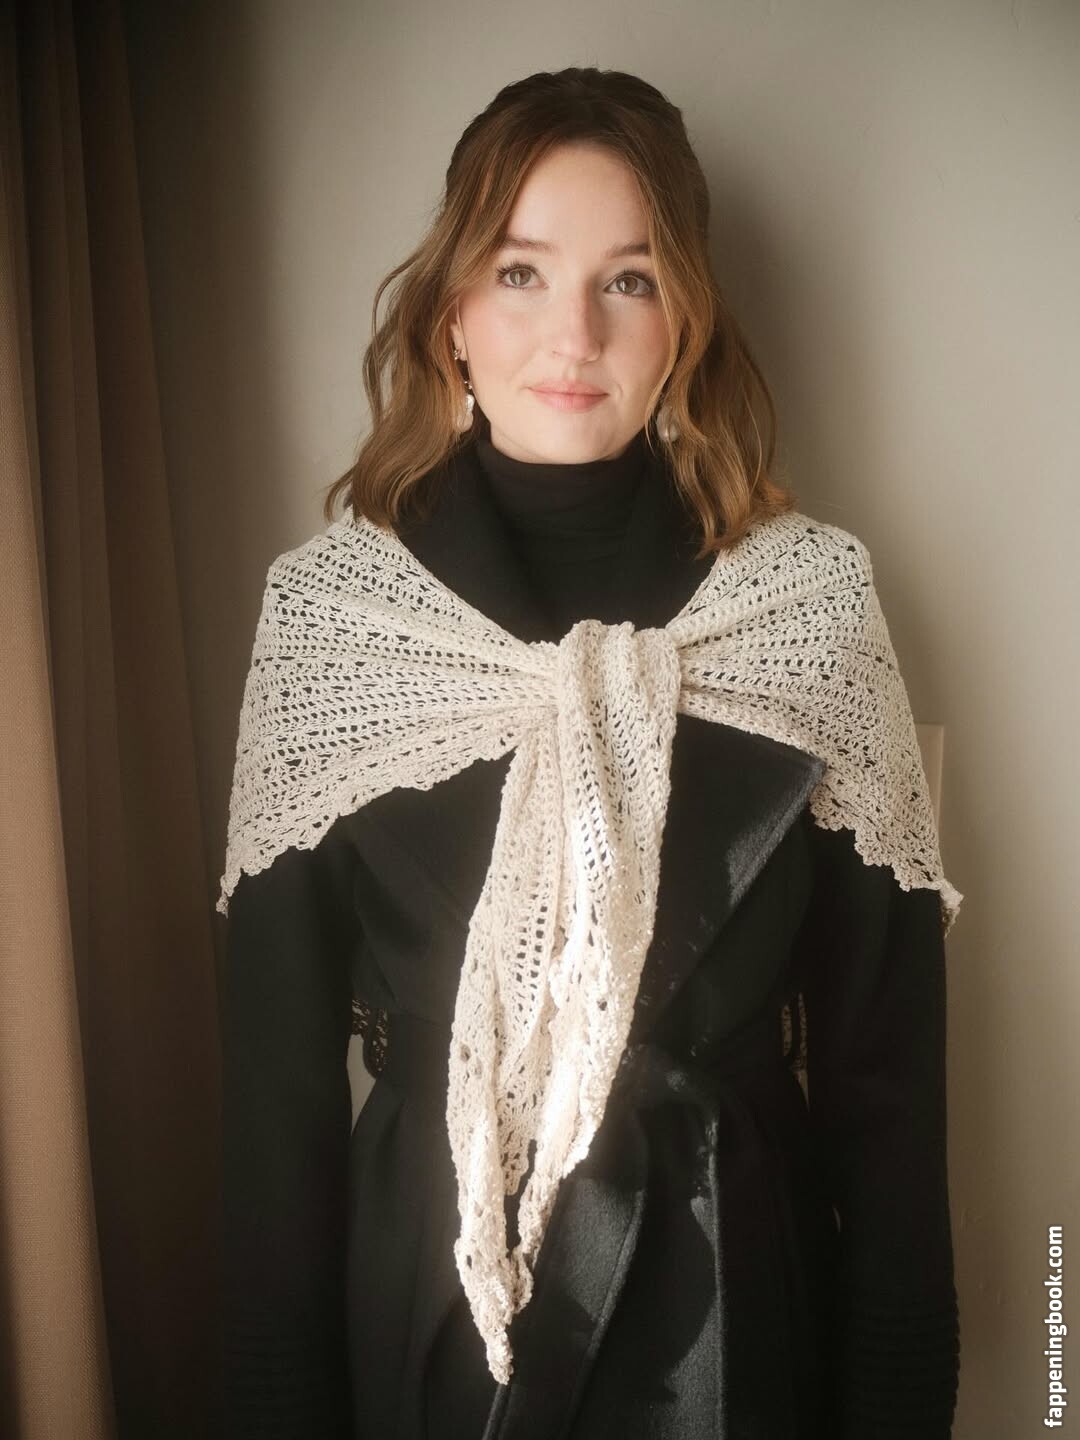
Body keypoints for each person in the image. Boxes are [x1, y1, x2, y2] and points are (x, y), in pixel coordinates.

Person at [218, 66, 961, 1440]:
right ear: (450, 314)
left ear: (686, 322)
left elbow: (890, 1091)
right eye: (520, 273)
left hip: (744, 1302)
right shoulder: (335, 621)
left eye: (630, 279)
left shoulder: (808, 607)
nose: (574, 333)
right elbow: (274, 1107)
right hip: (438, 1302)